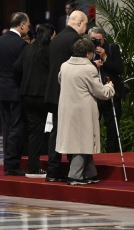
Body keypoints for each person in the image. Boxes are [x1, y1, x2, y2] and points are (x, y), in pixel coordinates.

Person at [56, 38, 115, 185]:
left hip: (67, 108)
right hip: (82, 111)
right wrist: (110, 87)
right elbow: (100, 92)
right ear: (88, 53)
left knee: (83, 141)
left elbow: (60, 81)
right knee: (81, 143)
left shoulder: (65, 66)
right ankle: (74, 176)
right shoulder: (89, 68)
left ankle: (90, 174)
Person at [45, 10, 88, 182]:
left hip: (53, 91)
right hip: (68, 94)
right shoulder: (75, 40)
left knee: (56, 130)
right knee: (70, 131)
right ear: (79, 23)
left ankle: (53, 170)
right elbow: (78, 68)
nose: (86, 28)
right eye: (85, 24)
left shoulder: (56, 39)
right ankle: (72, 170)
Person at [14, 23, 56, 178]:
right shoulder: (50, 50)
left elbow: (16, 67)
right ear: (50, 35)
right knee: (51, 130)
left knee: (34, 132)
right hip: (44, 96)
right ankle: (52, 165)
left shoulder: (28, 48)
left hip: (26, 95)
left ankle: (33, 167)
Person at [0, 12, 30, 176]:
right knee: (16, 128)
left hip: (3, 89)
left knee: (6, 128)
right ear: (21, 25)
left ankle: (7, 161)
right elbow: (23, 71)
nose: (28, 29)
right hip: (16, 90)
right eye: (28, 26)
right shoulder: (21, 45)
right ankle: (12, 164)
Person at [88, 26, 124, 152]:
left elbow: (119, 69)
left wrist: (105, 57)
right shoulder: (85, 50)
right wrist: (93, 64)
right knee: (91, 126)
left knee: (112, 128)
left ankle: (112, 155)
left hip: (110, 93)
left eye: (99, 40)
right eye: (93, 40)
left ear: (103, 39)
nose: (97, 43)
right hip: (93, 94)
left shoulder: (111, 48)